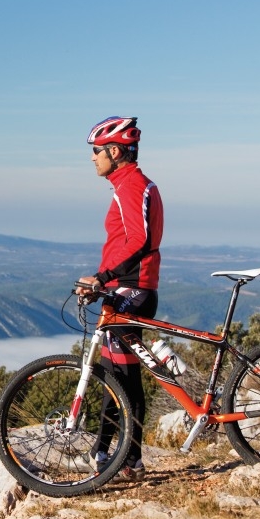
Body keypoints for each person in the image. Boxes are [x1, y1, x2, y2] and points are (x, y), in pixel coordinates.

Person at [75, 115, 163, 483]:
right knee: (121, 378)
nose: (92, 158)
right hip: (125, 289)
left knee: (122, 379)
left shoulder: (131, 186)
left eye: (96, 151)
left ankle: (121, 457)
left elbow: (138, 240)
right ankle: (116, 455)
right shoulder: (128, 184)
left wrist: (103, 277)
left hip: (131, 290)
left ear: (114, 150)